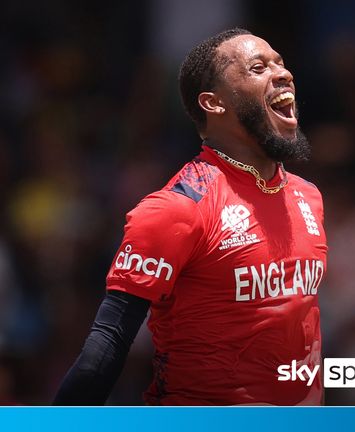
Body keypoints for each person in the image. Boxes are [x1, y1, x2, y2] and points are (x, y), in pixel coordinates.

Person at [54, 28, 327, 405]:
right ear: (214, 103)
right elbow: (105, 349)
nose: (282, 74)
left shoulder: (307, 196)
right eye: (258, 67)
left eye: (281, 64)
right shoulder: (176, 208)